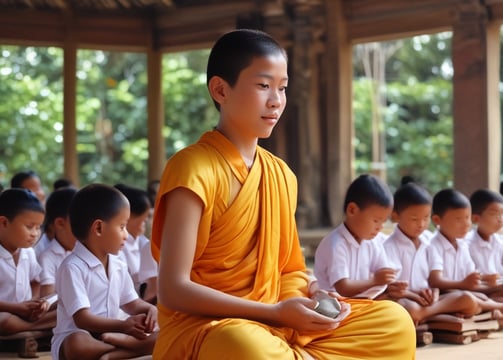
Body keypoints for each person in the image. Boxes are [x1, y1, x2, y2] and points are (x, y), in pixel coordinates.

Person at [151, 29, 415, 359]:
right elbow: (174, 290)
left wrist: (313, 295)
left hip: (279, 321)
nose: (276, 100)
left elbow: (289, 270)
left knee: (394, 321)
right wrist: (275, 313)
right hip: (213, 328)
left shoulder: (280, 175)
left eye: (283, 87)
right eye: (263, 85)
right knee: (246, 348)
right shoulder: (193, 168)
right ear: (221, 89)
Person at [51, 184, 157, 360]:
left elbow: (132, 304)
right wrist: (123, 327)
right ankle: (134, 349)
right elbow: (82, 319)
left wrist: (149, 310)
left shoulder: (118, 264)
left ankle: (115, 353)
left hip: (112, 334)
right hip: (80, 337)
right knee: (77, 343)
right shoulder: (73, 267)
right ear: (98, 228)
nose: (126, 235)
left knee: (167, 331)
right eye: (122, 226)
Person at [384, 183, 480, 323]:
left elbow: (434, 280)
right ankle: (435, 317)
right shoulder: (389, 246)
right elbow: (393, 289)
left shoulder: (429, 242)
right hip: (406, 299)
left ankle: (427, 316)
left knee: (467, 299)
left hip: (428, 300)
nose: (421, 224)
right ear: (396, 216)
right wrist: (415, 296)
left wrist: (433, 293)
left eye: (425, 217)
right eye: (414, 219)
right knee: (407, 309)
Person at [313, 174, 397, 299]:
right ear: (352, 210)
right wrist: (374, 281)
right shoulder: (335, 244)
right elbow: (343, 288)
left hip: (363, 301)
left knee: (398, 308)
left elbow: (383, 272)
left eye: (383, 222)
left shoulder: (373, 241)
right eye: (376, 220)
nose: (380, 227)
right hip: (335, 304)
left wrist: (393, 283)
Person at [427, 188, 503, 314]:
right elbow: (435, 281)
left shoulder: (462, 245)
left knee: (479, 298)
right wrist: (462, 283)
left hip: (463, 292)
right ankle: (496, 308)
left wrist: (484, 279)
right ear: (437, 220)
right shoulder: (433, 245)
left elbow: (471, 277)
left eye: (467, 218)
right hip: (446, 295)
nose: (466, 224)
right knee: (468, 300)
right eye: (458, 219)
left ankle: (493, 309)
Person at [0, 189, 56, 336]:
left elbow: (35, 281)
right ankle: (35, 329)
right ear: (4, 223)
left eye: (38, 228)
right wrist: (17, 308)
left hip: (24, 314)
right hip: (5, 314)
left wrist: (35, 302)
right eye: (29, 227)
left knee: (64, 304)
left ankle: (25, 327)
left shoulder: (28, 252)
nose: (35, 233)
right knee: (3, 320)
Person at [115, 183, 158, 300]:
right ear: (128, 217)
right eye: (144, 220)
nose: (146, 224)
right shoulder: (115, 248)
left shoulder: (143, 242)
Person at [38, 187, 78, 297]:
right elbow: (47, 301)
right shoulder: (48, 258)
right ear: (60, 224)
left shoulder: (85, 252)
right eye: (80, 224)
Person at [467, 189, 503, 301]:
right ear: (476, 218)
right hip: (478, 291)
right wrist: (485, 279)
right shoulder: (466, 244)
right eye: (494, 214)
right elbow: (466, 280)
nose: (500, 220)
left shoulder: (500, 242)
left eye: (501, 214)